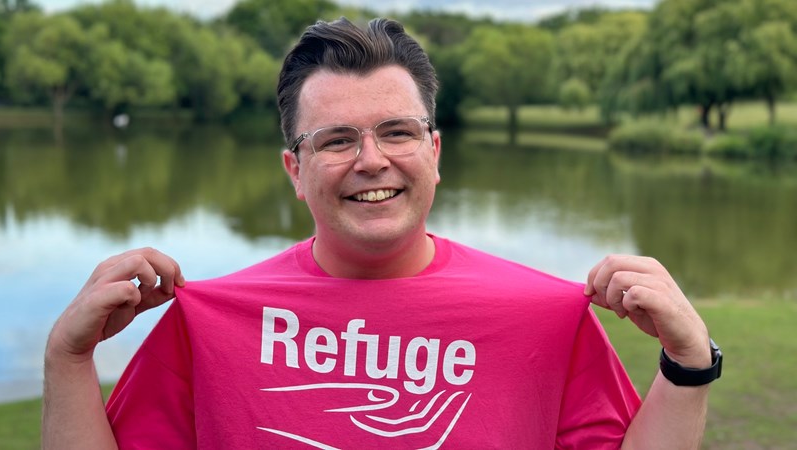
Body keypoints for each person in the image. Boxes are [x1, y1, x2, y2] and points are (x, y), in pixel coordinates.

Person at [42, 17, 720, 449]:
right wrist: (67, 360)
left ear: (435, 152)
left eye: (397, 131)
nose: (371, 160)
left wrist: (688, 365)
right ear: (295, 170)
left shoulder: (544, 320)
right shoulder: (209, 325)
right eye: (336, 139)